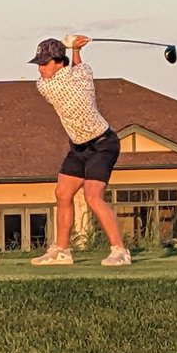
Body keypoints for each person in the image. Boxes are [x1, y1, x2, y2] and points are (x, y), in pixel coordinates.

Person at [29, 35, 131, 267]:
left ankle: (120, 251)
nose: (40, 70)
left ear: (59, 62)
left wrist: (72, 48)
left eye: (45, 64)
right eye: (39, 64)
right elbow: (79, 68)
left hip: (103, 144)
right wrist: (75, 49)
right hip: (79, 146)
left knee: (93, 196)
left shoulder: (52, 85)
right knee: (63, 193)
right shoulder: (82, 74)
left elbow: (71, 71)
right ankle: (62, 251)